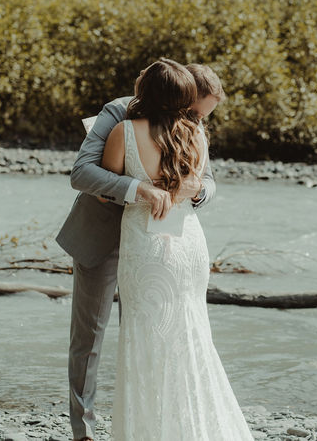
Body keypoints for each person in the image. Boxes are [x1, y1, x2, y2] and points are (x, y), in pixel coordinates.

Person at [56, 59, 223, 441]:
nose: (197, 121)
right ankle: (83, 431)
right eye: (194, 112)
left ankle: (154, 421)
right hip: (102, 233)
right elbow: (83, 172)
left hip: (161, 243)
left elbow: (209, 181)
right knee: (89, 337)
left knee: (156, 333)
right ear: (181, 95)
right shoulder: (118, 113)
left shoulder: (192, 129)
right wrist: (139, 189)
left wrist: (194, 192)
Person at [101, 60, 251, 441]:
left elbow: (107, 192)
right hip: (189, 244)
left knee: (144, 337)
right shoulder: (196, 134)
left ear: (145, 93)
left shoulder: (124, 132)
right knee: (192, 334)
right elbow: (199, 185)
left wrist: (140, 188)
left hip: (146, 244)